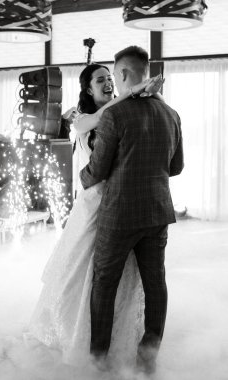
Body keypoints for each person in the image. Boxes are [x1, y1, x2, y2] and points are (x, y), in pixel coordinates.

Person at [28, 62, 165, 369]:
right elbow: (99, 119)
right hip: (93, 203)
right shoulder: (81, 117)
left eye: (108, 79)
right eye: (99, 80)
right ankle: (78, 336)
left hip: (123, 203)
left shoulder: (125, 110)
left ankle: (115, 338)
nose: (106, 83)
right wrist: (132, 91)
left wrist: (149, 95)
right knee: (83, 271)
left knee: (117, 275)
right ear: (88, 89)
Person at [80, 46, 184, 374]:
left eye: (114, 73)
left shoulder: (114, 115)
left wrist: (80, 176)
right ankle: (148, 356)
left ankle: (99, 358)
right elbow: (177, 167)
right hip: (157, 211)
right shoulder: (171, 114)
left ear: (123, 74)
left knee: (105, 283)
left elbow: (97, 171)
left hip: (119, 215)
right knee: (156, 282)